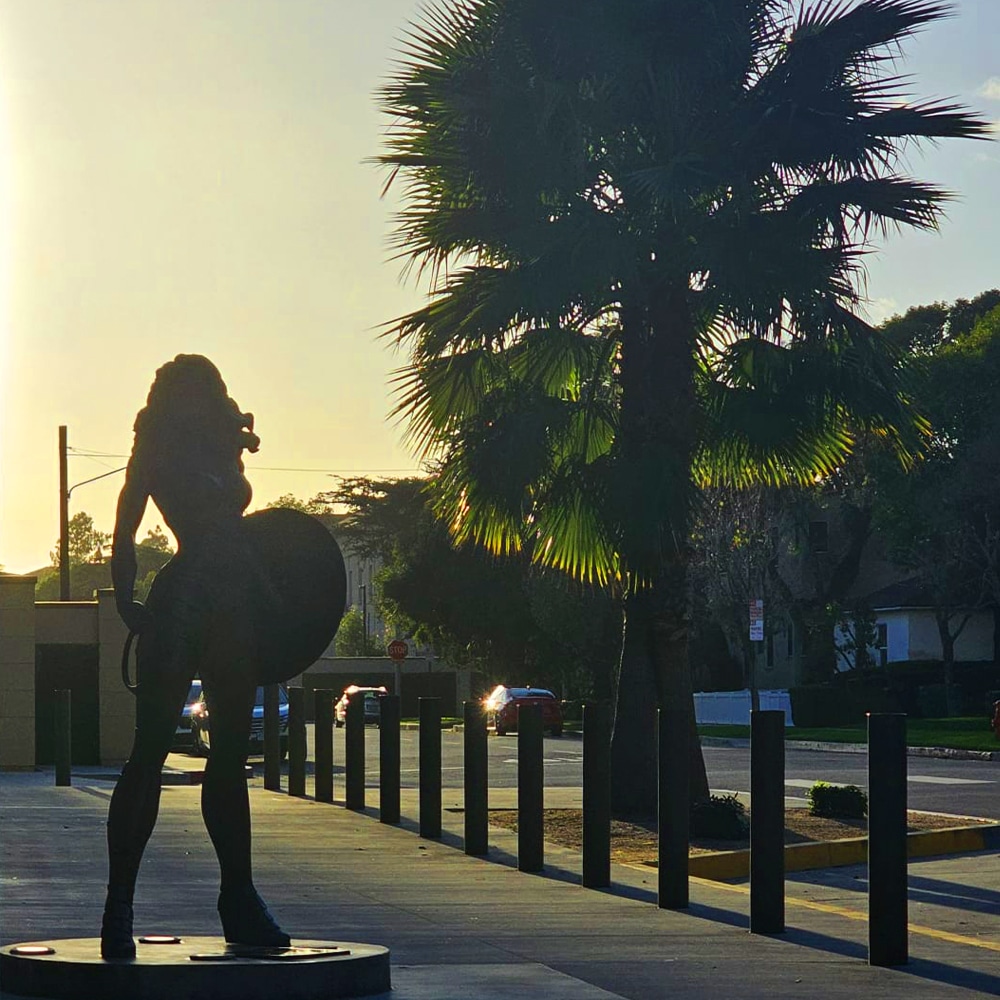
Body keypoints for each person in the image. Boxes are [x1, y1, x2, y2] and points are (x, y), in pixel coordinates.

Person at [101, 354, 289, 959]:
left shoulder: (223, 444)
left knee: (230, 758)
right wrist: (126, 596)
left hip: (235, 601)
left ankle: (239, 896)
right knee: (149, 752)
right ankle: (119, 903)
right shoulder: (156, 449)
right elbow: (125, 526)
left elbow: (245, 531)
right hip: (183, 602)